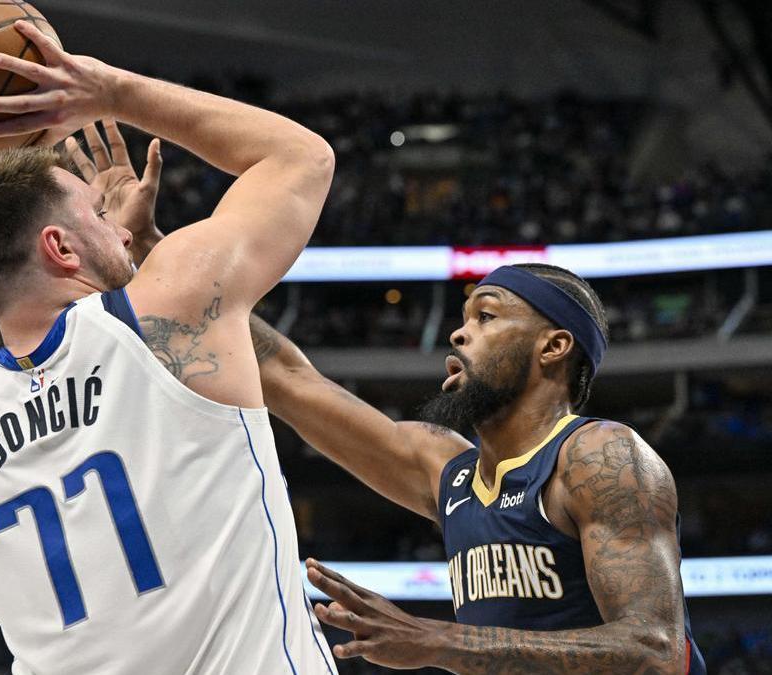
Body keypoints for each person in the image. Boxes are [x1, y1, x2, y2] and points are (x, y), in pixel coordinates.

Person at [0, 20, 337, 674]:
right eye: (95, 211)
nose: (115, 221)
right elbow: (300, 158)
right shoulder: (167, 307)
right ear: (59, 247)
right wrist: (107, 91)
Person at [249, 264, 708, 674]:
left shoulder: (597, 455)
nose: (458, 334)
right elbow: (289, 380)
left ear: (553, 346)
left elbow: (656, 651)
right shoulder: (447, 470)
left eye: (485, 316)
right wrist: (183, 263)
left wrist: (440, 641)